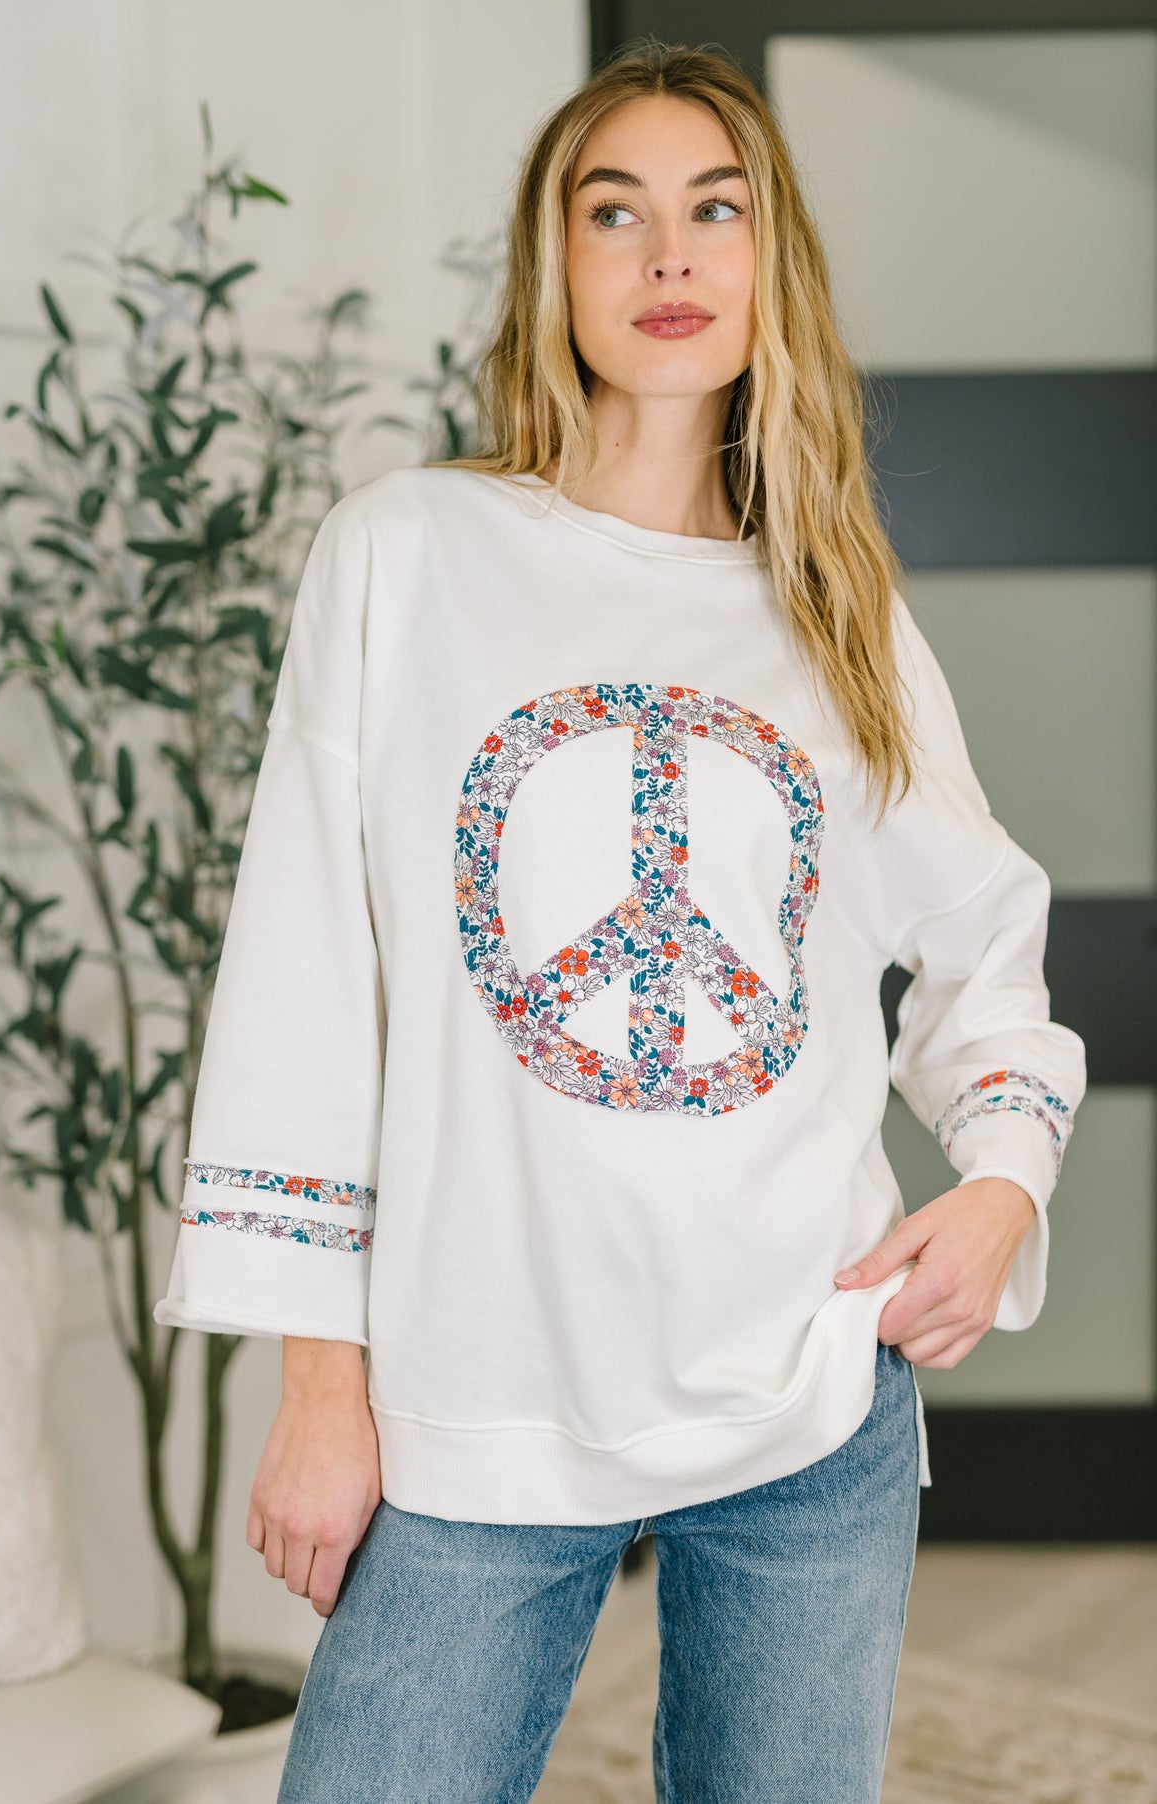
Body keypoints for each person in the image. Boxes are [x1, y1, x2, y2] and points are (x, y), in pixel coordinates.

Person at [153, 39, 1087, 1804]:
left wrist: (1000, 1181)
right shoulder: (406, 557)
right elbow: (305, 985)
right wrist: (321, 1392)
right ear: (553, 266)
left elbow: (988, 947)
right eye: (617, 213)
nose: (669, 256)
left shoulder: (840, 626)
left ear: (767, 263)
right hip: (473, 1398)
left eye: (713, 211)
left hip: (805, 1393)